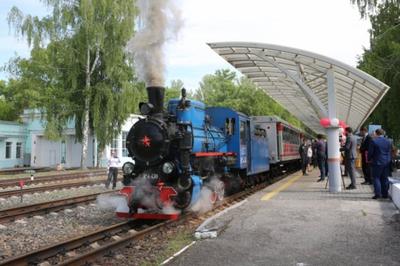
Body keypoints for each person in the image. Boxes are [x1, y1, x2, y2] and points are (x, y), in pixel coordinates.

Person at [368, 128, 392, 199]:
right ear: (383, 133)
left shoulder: (374, 141)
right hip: (386, 162)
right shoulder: (388, 141)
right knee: (385, 178)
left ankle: (377, 194)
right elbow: (389, 151)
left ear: (376, 133)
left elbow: (370, 152)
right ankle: (385, 194)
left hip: (377, 162)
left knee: (376, 178)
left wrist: (369, 159)